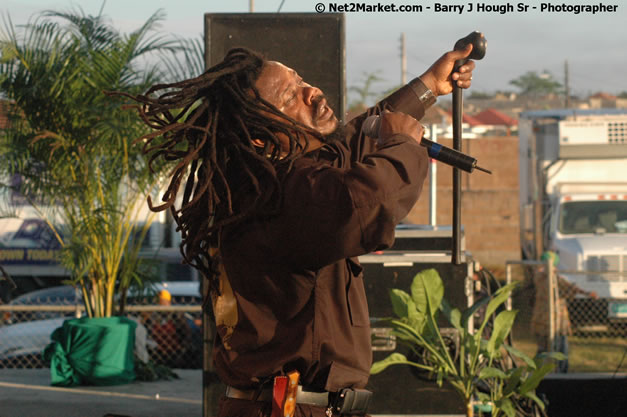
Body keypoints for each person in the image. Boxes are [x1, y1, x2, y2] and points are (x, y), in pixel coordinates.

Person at [120, 43, 476, 417]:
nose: (313, 92)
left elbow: (348, 144)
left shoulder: (259, 184)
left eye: (302, 80)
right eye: (292, 95)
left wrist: (428, 86)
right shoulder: (284, 194)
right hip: (291, 409)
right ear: (260, 135)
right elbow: (368, 200)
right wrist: (402, 143)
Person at [530, 251, 597, 373]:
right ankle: (561, 371)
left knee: (543, 348)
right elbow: (569, 288)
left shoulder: (539, 276)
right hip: (556, 319)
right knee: (561, 347)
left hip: (540, 317)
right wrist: (587, 293)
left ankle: (535, 369)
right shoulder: (552, 278)